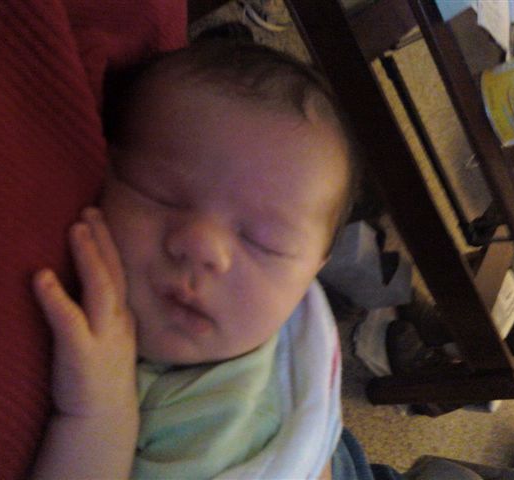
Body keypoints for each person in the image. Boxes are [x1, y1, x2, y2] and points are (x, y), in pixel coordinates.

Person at [29, 39, 356, 480]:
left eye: (263, 241)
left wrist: (99, 415)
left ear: (314, 271)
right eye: (162, 195)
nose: (203, 247)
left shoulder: (214, 438)